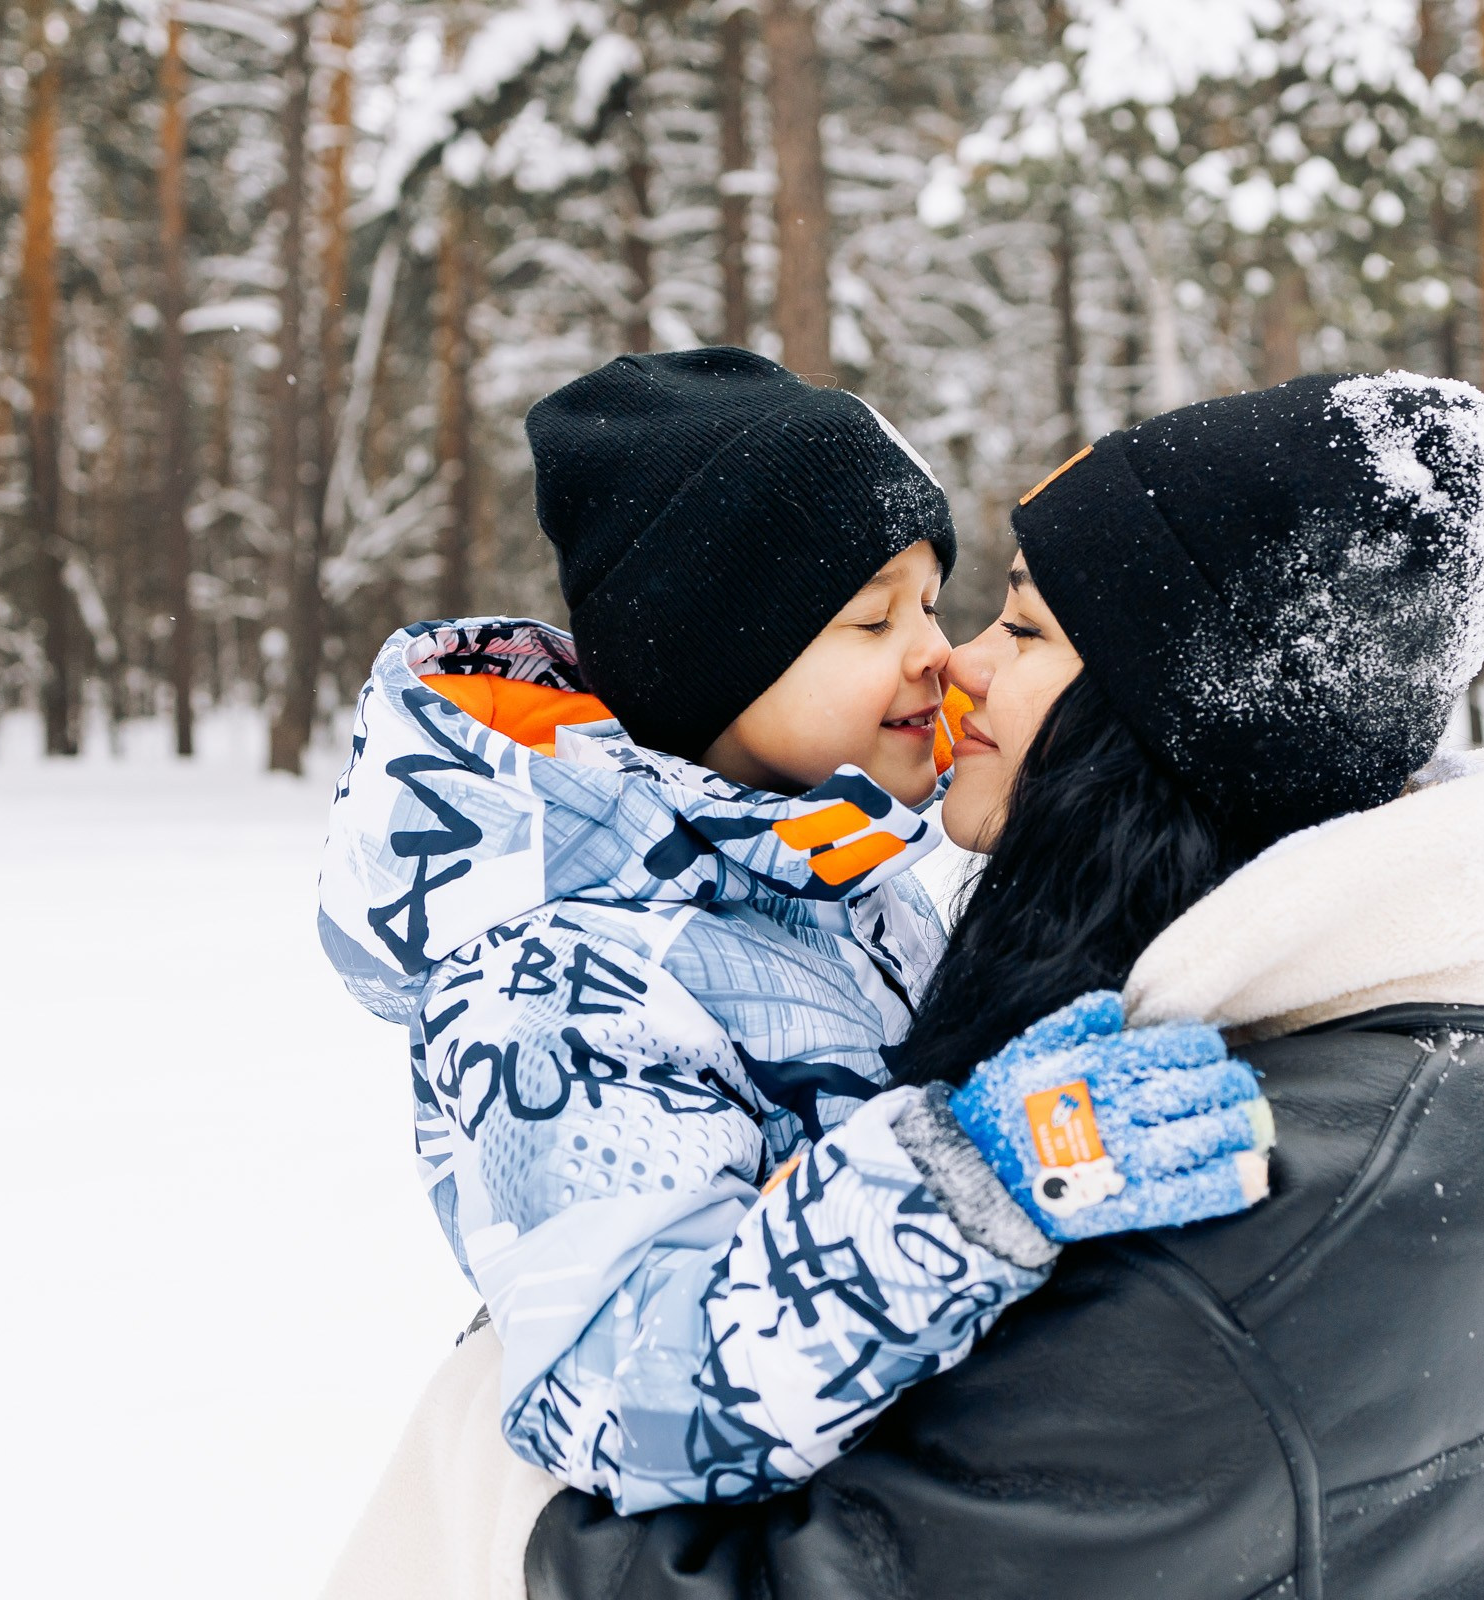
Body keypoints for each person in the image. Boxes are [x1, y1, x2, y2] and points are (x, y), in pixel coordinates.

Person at [528, 370, 1484, 1599]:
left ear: (1169, 722)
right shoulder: (1387, 1049)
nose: (958, 665)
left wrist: (477, 1464)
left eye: (1023, 627)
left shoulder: (1204, 1216)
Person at [315, 349, 1271, 1598]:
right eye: (872, 619)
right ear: (716, 665)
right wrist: (969, 1181)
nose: (940, 655)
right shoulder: (556, 980)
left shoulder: (842, 877)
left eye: (933, 603)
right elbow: (635, 1386)